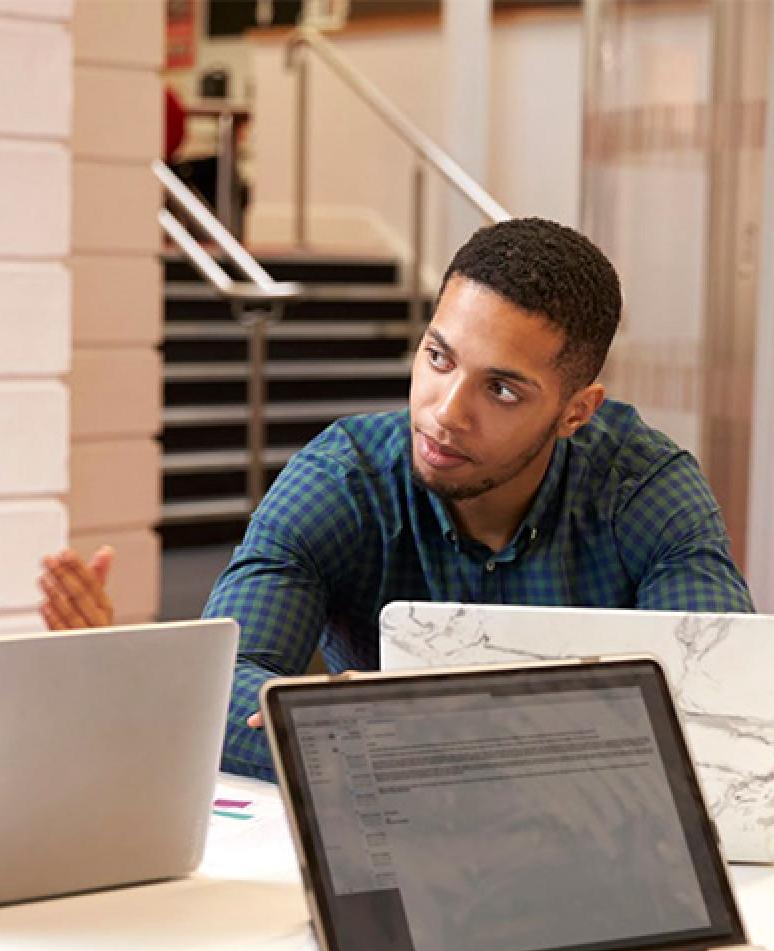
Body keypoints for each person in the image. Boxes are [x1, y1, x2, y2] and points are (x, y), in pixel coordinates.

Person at [202, 217, 755, 780]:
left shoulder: (645, 488)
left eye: (501, 389)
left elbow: (725, 704)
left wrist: (378, 736)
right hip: (400, 825)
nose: (445, 413)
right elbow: (214, 688)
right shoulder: (343, 481)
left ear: (576, 412)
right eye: (439, 359)